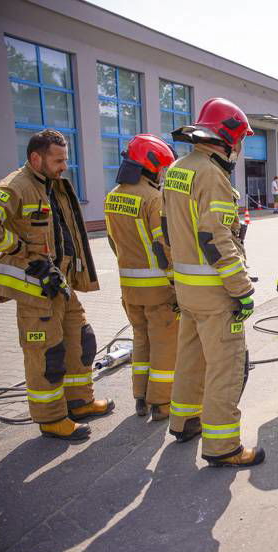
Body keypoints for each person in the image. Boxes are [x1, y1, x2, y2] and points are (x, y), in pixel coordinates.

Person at [0, 129, 112, 440]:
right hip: (36, 289)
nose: (64, 166)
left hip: (60, 284)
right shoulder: (17, 186)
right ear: (36, 158)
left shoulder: (52, 185)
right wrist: (19, 250)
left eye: (66, 160)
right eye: (58, 160)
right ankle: (52, 419)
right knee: (47, 354)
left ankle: (79, 402)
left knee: (79, 341)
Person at [163, 97, 264, 467]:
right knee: (226, 365)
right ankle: (224, 446)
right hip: (215, 293)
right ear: (228, 139)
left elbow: (165, 232)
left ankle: (185, 421)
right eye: (239, 142)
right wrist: (242, 289)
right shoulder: (212, 175)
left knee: (190, 358)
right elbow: (216, 239)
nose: (239, 149)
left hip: (187, 289)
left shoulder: (177, 168)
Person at [105, 134, 178, 421]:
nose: (162, 174)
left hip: (129, 288)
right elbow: (163, 247)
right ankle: (161, 404)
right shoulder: (152, 198)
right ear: (151, 166)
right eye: (161, 168)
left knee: (141, 340)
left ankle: (140, 396)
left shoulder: (112, 197)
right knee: (163, 344)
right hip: (158, 289)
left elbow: (113, 243)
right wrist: (175, 282)